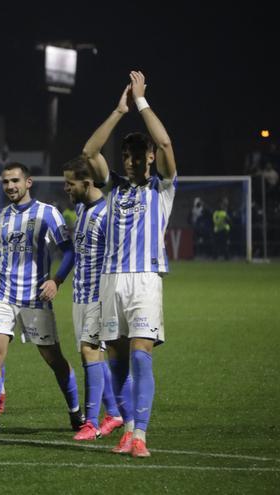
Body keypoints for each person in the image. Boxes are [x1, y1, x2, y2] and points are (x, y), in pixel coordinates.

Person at [83, 71, 178, 457]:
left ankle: (140, 435)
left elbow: (166, 140)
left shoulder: (163, 187)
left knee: (141, 354)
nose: (132, 160)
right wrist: (119, 110)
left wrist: (141, 103)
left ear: (151, 157)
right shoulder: (116, 186)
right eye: (126, 155)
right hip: (111, 281)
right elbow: (90, 153)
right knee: (118, 361)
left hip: (144, 280)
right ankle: (128, 426)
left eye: (138, 154)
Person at [0, 162, 84, 436]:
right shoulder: (0, 217)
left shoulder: (48, 213)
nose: (10, 186)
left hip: (34, 298)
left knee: (54, 359)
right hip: (3, 295)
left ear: (28, 182)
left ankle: (75, 412)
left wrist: (55, 281)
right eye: (6, 182)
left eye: (15, 181)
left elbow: (68, 252)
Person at [62, 156, 126, 441]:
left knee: (90, 351)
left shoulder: (107, 213)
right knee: (91, 355)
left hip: (100, 295)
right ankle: (113, 413)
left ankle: (91, 422)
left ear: (86, 183)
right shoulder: (81, 209)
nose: (66, 188)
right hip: (80, 295)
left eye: (70, 183)